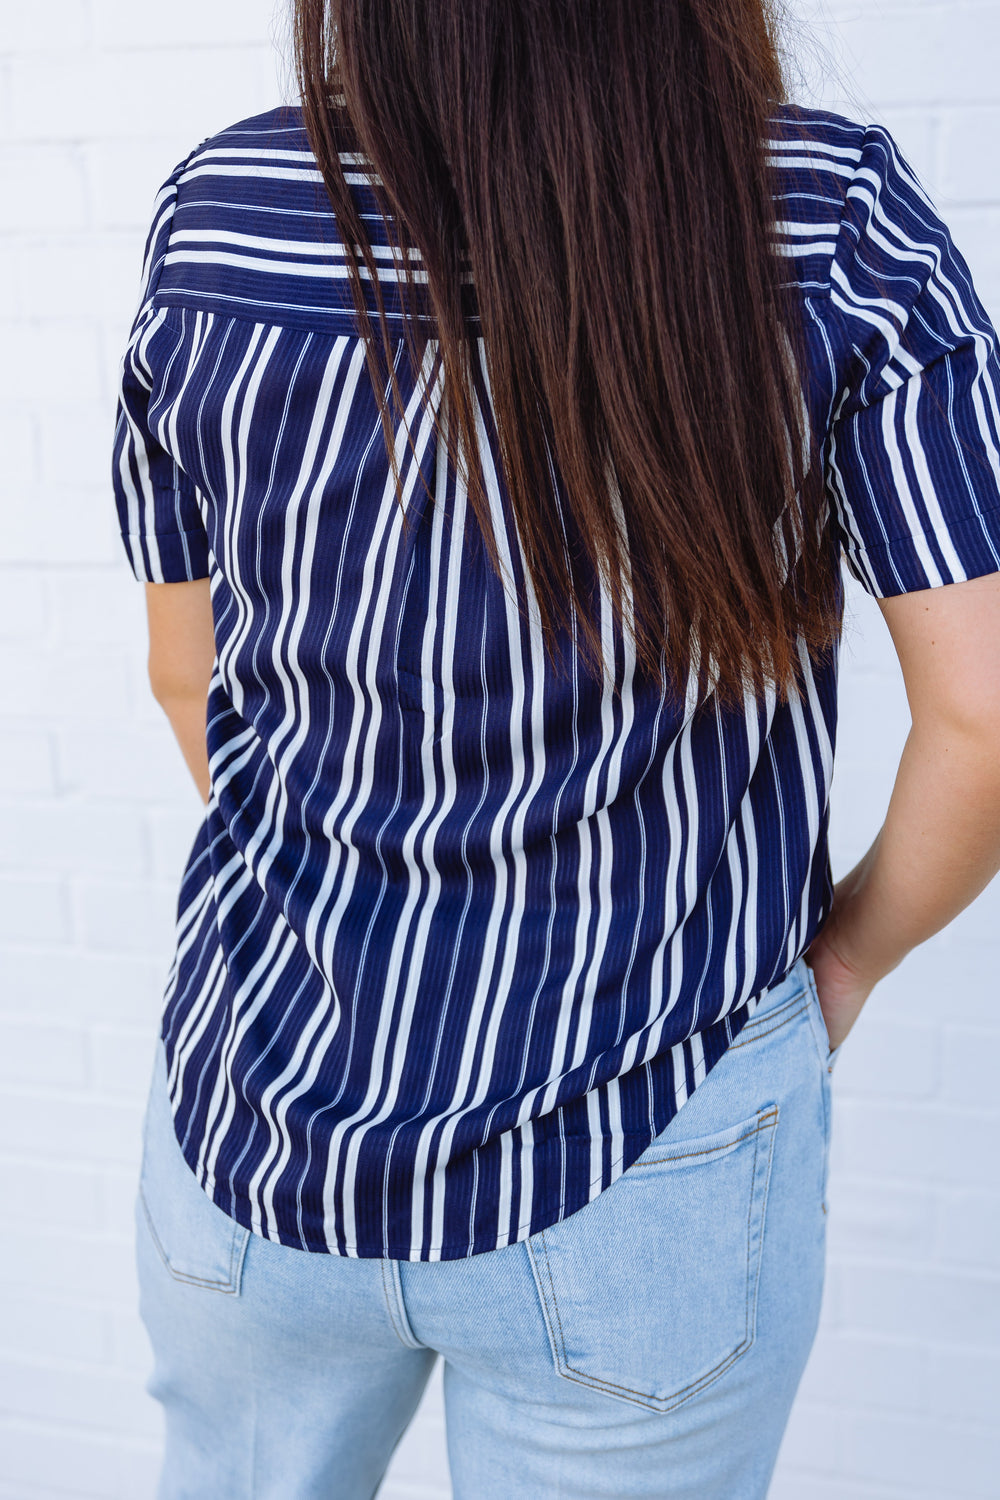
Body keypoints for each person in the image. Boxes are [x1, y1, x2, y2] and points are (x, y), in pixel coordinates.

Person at [112, 2, 1000, 1495]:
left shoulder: (223, 220)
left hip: (255, 1123)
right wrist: (836, 967)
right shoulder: (824, 226)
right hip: (651, 1142)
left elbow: (183, 674)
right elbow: (984, 715)